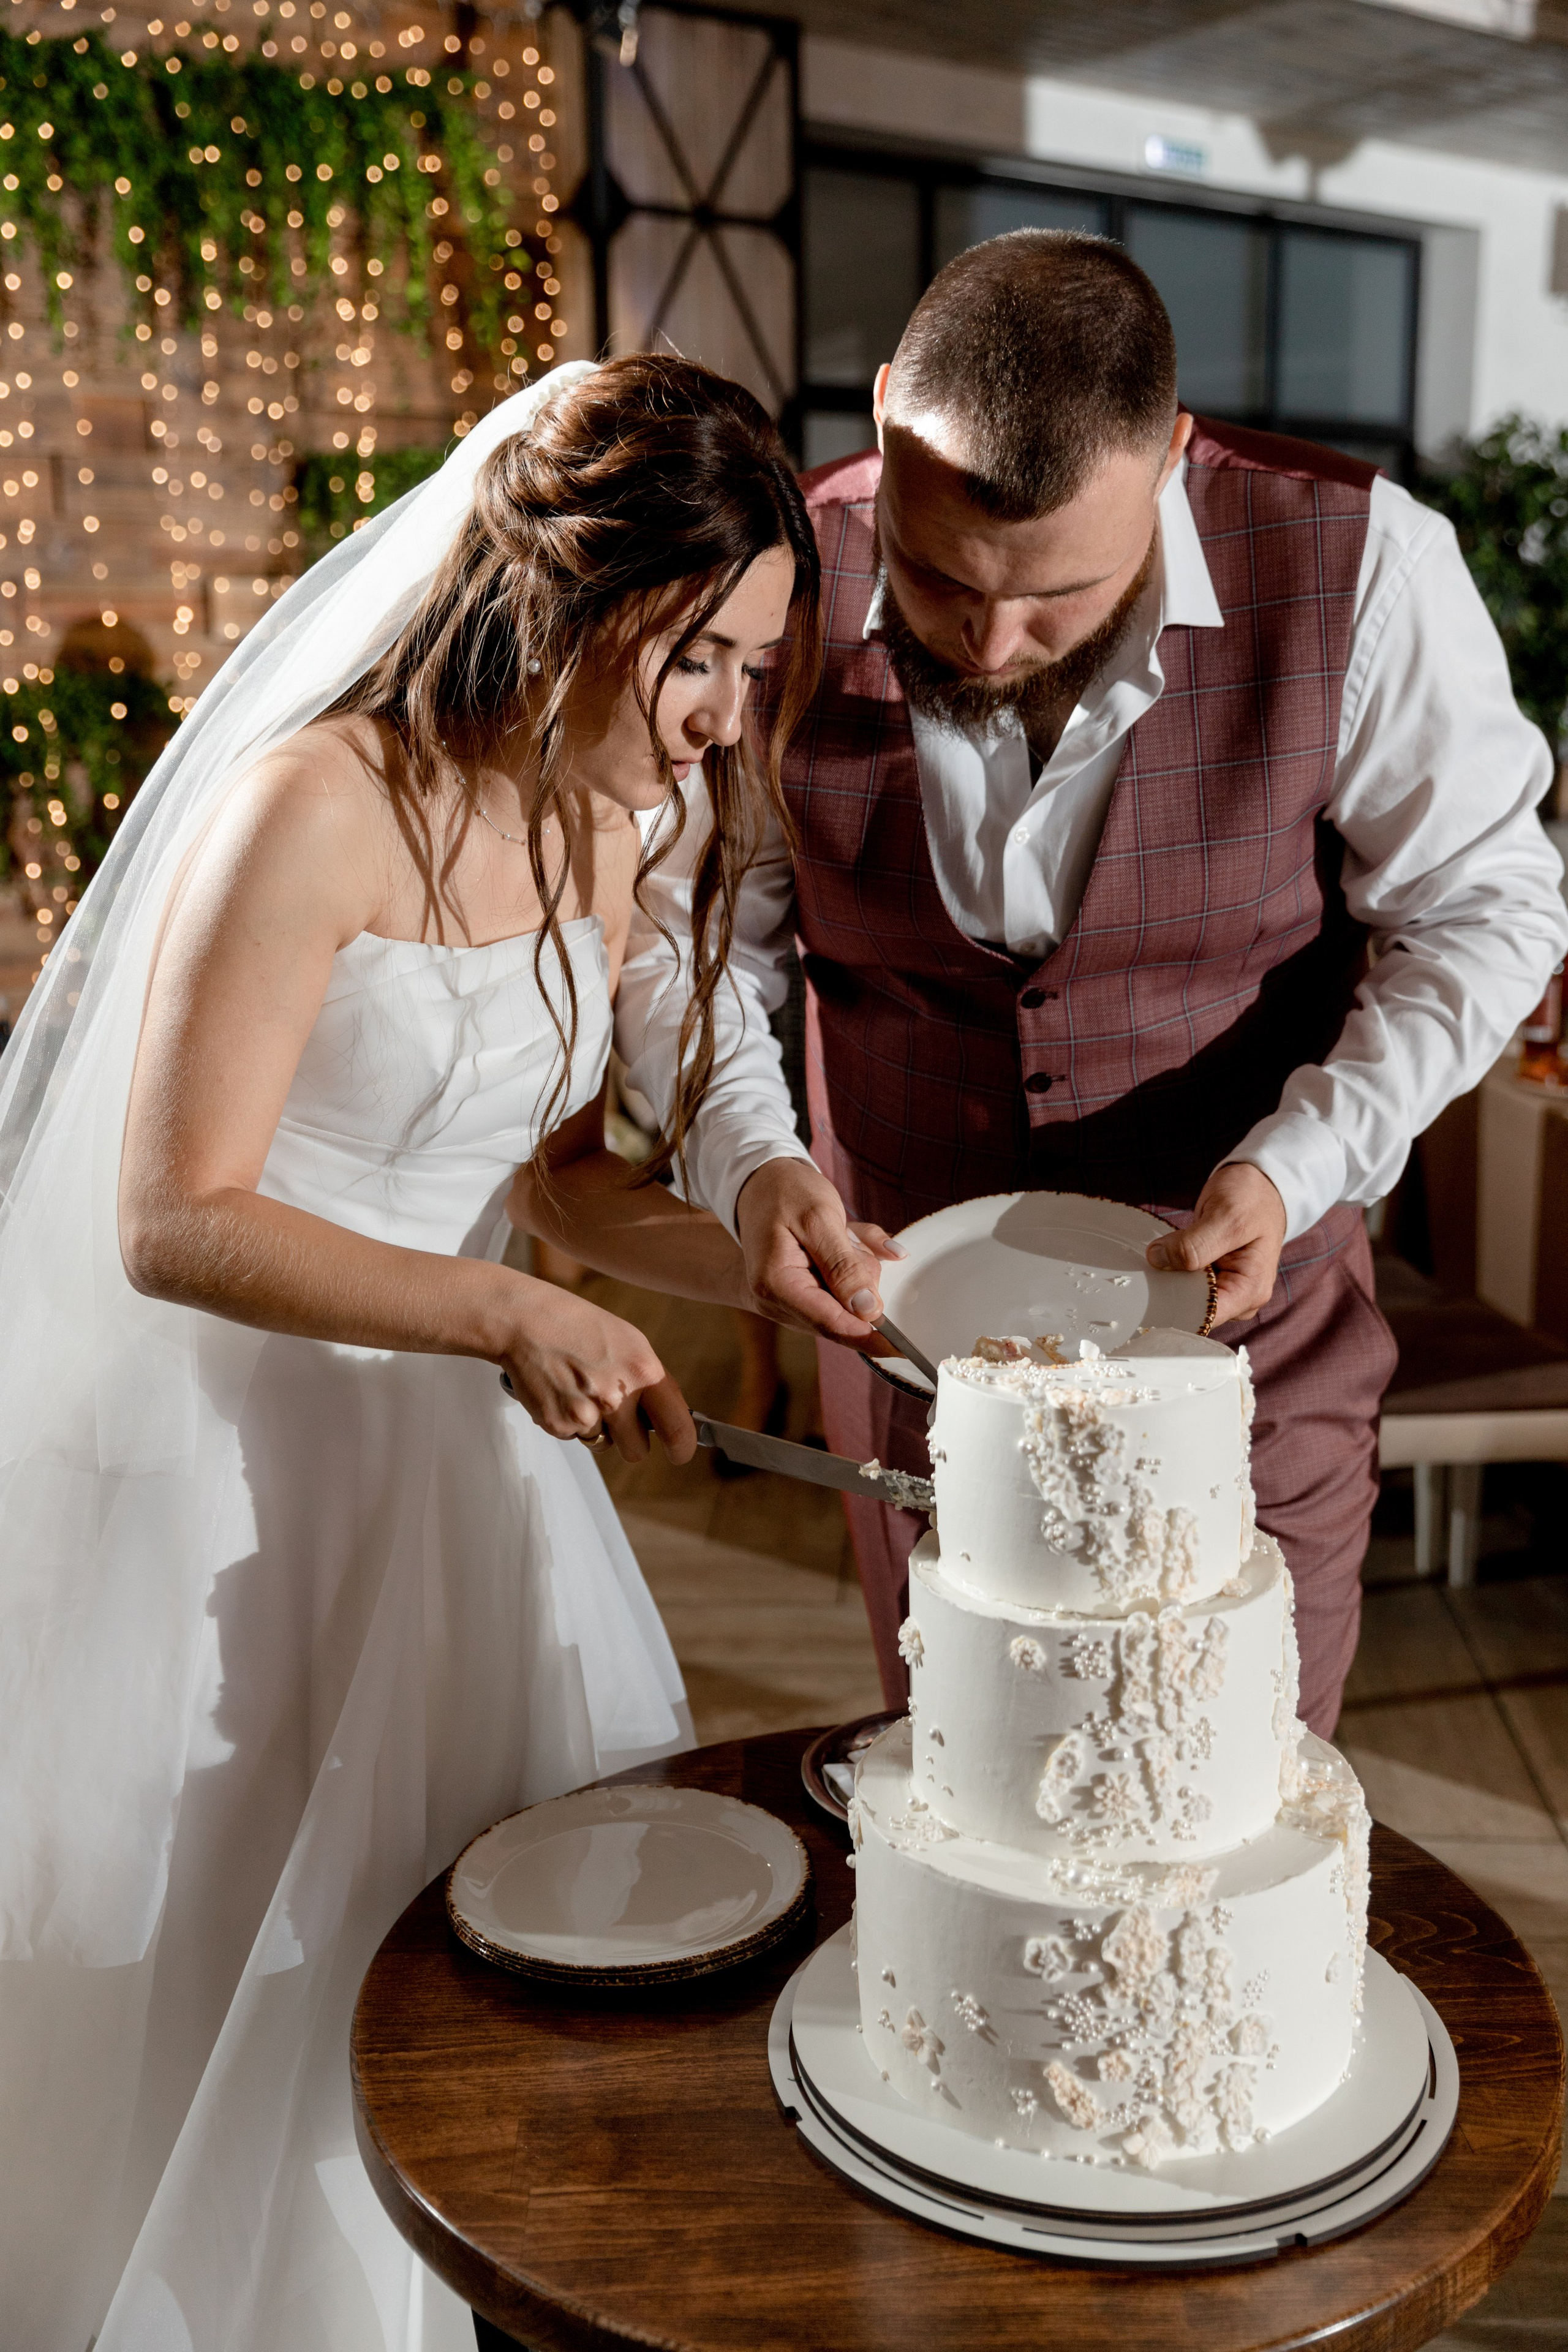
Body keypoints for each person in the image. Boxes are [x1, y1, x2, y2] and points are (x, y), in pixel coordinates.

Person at [0, 356, 884, 2352]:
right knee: (230, 1946)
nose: (726, 716)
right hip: (223, 1450)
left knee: (467, 1954)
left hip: (452, 1476)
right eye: (697, 657)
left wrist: (768, 1260)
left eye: (755, 665)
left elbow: (554, 1177)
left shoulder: (620, 811)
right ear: (573, 601)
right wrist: (501, 1310)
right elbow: (176, 1214)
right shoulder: (308, 811)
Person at [617, 231, 1568, 1738]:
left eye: (1058, 593)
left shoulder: (1361, 561)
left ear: (1172, 460)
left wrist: (1301, 1156)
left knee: (1230, 1816)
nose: (988, 642)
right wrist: (747, 1163)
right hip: (915, 1352)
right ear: (881, 424)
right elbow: (685, 938)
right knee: (968, 1818)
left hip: (1253, 1356)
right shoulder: (777, 576)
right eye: (936, 579)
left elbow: (1487, 910)